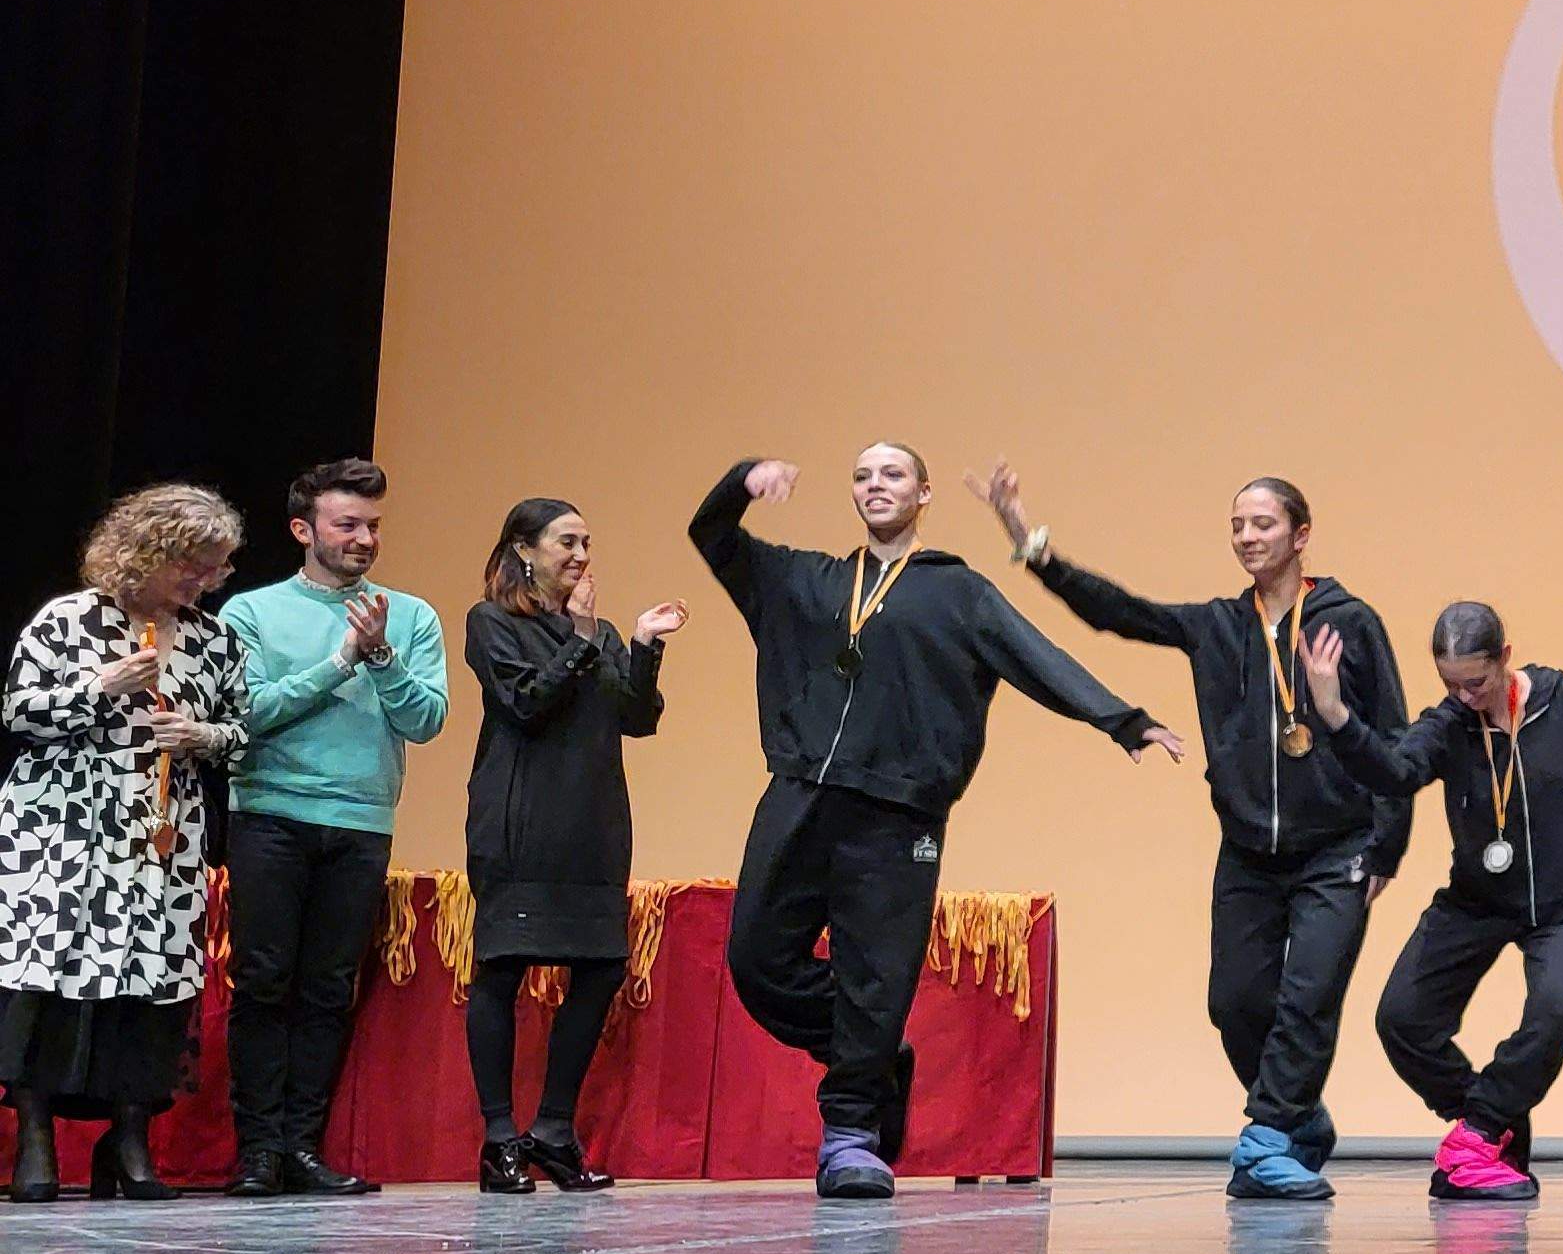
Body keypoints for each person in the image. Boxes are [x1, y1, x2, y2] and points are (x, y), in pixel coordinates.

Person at [691, 445, 1182, 1199]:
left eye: (893, 475)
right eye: (862, 474)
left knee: (875, 977)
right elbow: (711, 536)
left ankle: (852, 1132)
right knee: (757, 962)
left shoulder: (959, 593)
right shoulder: (803, 579)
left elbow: (1037, 659)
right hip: (799, 795)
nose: (875, 485)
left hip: (900, 812)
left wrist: (1123, 721)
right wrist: (743, 480)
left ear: (924, 494)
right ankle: (876, 1054)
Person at [966, 463, 1412, 1202]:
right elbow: (1117, 611)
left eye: (1263, 524)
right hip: (1248, 853)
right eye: (1237, 525)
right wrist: (1029, 541)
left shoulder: (1349, 621)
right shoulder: (1216, 625)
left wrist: (1386, 845)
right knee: (1234, 1004)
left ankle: (1266, 1139)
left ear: (1301, 535)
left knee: (1309, 997)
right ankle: (1296, 1114)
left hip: (1339, 846)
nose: (1247, 537)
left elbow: (1392, 733)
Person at [1301, 603, 1563, 1201]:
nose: (1464, 695)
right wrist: (1336, 715)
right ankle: (1495, 1122)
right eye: (1450, 683)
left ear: (1505, 657)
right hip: (1476, 898)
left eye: (1475, 682)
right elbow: (1396, 771)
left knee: (1552, 1013)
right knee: (1400, 1019)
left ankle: (1480, 1130)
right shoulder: (1449, 723)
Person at [0, 487, 249, 1203]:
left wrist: (203, 737)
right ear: (145, 554)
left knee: (153, 984)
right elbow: (18, 711)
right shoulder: (69, 622)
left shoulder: (213, 639)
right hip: (61, 835)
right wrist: (98, 685)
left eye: (212, 568)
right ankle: (37, 1140)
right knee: (49, 978)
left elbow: (240, 730)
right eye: (190, 566)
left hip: (160, 840)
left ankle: (131, 1137)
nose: (202, 581)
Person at [218, 458, 448, 1198]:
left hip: (360, 820)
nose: (364, 539)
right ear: (302, 529)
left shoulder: (408, 616)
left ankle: (301, 1148)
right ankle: (257, 1150)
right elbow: (247, 715)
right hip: (271, 814)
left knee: (326, 989)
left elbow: (426, 720)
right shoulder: (250, 613)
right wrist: (339, 661)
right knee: (263, 982)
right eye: (347, 525)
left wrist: (380, 655)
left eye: (373, 526)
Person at [459, 499, 685, 1194]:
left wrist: (642, 645)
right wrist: (583, 640)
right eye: (567, 541)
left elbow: (637, 718)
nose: (582, 554)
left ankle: (554, 1129)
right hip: (521, 824)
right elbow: (525, 703)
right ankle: (500, 1137)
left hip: (593, 825)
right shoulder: (491, 622)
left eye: (588, 541)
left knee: (601, 967)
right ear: (524, 550)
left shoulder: (600, 630)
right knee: (504, 969)